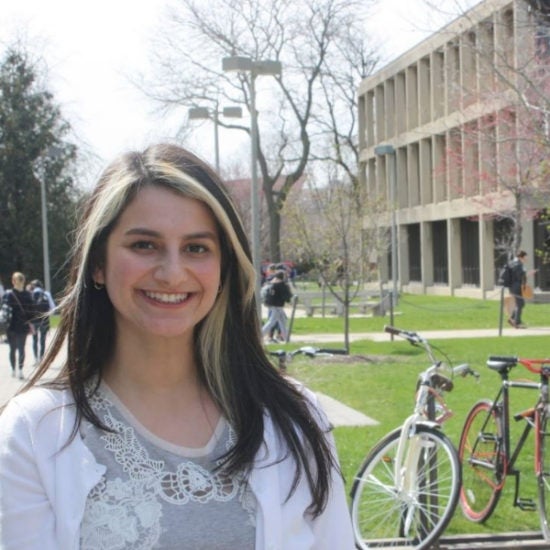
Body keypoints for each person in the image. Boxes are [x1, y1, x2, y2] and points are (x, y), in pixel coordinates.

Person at [0, 144, 354, 549]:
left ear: (223, 268)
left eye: (196, 248)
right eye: (144, 245)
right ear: (97, 264)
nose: (172, 272)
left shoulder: (294, 421)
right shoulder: (35, 433)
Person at [1, 272, 35, 379]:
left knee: (12, 348)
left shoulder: (8, 294)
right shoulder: (28, 295)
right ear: (23, 281)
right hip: (23, 325)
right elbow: (32, 312)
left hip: (10, 325)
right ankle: (20, 369)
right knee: (21, 348)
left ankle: (13, 369)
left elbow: (4, 309)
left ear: (13, 281)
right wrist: (30, 322)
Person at [261, 269, 293, 343]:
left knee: (282, 321)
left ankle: (286, 338)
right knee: (272, 322)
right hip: (277, 306)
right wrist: (289, 300)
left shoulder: (272, 284)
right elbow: (286, 296)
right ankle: (260, 336)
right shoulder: (281, 285)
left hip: (273, 305)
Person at [29, 279, 56, 362]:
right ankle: (41, 357)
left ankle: (35, 358)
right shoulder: (46, 294)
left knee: (35, 339)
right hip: (44, 320)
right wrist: (53, 321)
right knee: (42, 339)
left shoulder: (30, 294)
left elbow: (28, 308)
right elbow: (53, 307)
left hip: (34, 320)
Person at [508, 250, 528, 328]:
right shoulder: (519, 264)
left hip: (512, 286)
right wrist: (527, 273)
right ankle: (517, 323)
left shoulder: (512, 263)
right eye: (525, 257)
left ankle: (512, 319)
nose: (526, 258)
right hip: (516, 287)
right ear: (521, 257)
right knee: (520, 304)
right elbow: (520, 277)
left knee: (520, 304)